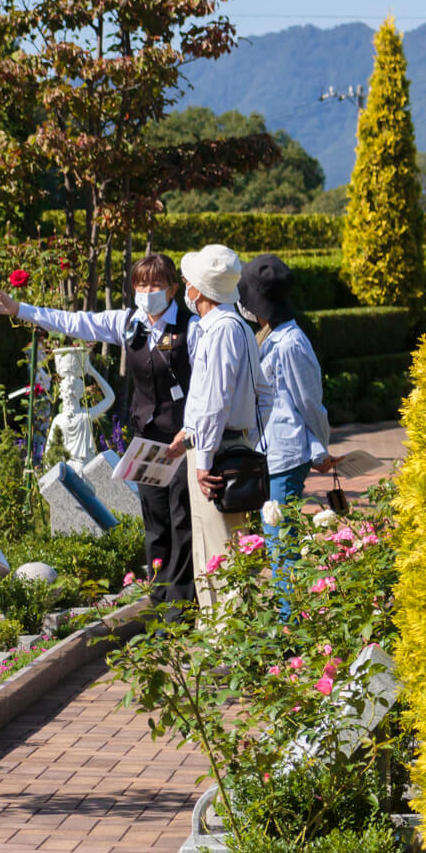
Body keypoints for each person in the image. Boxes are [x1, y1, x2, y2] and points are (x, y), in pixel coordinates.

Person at [0, 254, 198, 610]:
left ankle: (183, 608)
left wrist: (193, 429)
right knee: (156, 525)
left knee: (182, 521)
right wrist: (18, 308)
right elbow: (73, 322)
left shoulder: (193, 326)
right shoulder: (128, 322)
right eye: (141, 284)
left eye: (156, 285)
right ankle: (161, 605)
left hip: (183, 440)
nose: (147, 291)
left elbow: (205, 382)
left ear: (173, 288)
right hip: (148, 442)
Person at [163, 245, 273, 613]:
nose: (185, 285)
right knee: (230, 545)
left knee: (217, 551)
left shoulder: (220, 330)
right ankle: (229, 633)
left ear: (200, 290)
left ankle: (223, 637)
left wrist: (203, 457)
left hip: (219, 452)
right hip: (231, 445)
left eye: (188, 281)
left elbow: (215, 400)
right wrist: (192, 430)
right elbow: (261, 393)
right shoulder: (236, 326)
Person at [238, 254, 334, 558]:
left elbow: (310, 403)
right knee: (277, 541)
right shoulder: (268, 336)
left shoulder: (291, 343)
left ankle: (289, 607)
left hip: (287, 455)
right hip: (271, 452)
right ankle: (287, 605)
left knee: (281, 544)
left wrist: (321, 449)